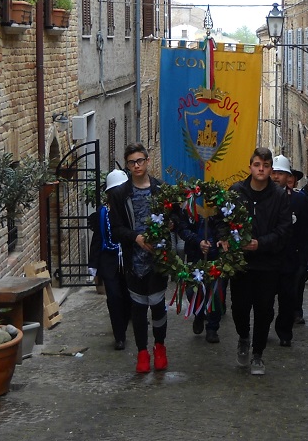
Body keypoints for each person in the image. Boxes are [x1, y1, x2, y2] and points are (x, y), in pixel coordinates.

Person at [228, 147, 292, 375]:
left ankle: (257, 353)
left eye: (265, 166)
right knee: (239, 307)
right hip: (241, 263)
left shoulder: (279, 196)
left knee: (264, 309)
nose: (261, 170)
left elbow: (284, 229)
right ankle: (243, 337)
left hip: (268, 264)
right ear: (250, 167)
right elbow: (223, 220)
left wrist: (261, 243)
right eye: (257, 165)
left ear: (270, 169)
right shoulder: (236, 192)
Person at [107, 143, 169, 373]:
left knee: (158, 307)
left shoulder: (161, 190)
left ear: (147, 161)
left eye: (140, 161)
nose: (137, 165)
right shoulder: (120, 195)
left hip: (158, 260)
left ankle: (160, 347)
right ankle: (142, 352)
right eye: (132, 162)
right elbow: (116, 229)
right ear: (128, 165)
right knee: (138, 309)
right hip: (134, 261)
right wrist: (136, 238)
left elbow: (174, 219)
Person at [270, 155, 308, 347]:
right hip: (267, 257)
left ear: (288, 176)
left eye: (280, 173)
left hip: (290, 257)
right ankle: (263, 328)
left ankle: (285, 332)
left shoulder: (300, 200)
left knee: (288, 299)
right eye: (274, 173)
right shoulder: (262, 198)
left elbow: (306, 230)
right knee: (264, 301)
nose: (276, 177)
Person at [87, 169, 131, 350]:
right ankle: (119, 336)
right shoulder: (102, 212)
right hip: (109, 260)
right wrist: (93, 264)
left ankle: (126, 323)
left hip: (128, 258)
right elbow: (97, 238)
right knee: (113, 297)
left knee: (128, 295)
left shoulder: (130, 209)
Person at [177, 214, 225, 343]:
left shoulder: (218, 204)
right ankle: (198, 313)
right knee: (191, 291)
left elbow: (222, 223)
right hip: (194, 255)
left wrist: (221, 238)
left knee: (215, 293)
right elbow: (182, 228)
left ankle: (212, 328)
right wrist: (198, 241)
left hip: (215, 255)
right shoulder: (188, 206)